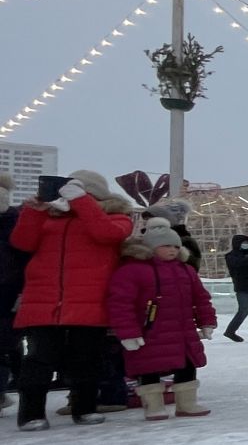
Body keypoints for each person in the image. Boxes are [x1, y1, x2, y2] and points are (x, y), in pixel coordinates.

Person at [10, 170, 137, 429]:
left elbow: (107, 234)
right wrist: (34, 211)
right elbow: (22, 243)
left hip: (89, 301)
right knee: (38, 359)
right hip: (43, 301)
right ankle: (31, 414)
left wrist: (81, 202)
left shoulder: (117, 217)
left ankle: (85, 407)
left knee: (86, 358)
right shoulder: (49, 217)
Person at [109, 218, 217, 420]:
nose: (173, 250)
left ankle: (187, 403)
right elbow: (120, 304)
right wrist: (128, 333)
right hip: (149, 332)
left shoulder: (185, 270)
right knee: (148, 367)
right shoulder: (132, 270)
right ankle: (153, 405)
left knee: (187, 366)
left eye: (176, 246)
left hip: (182, 332)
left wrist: (206, 321)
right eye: (166, 245)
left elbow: (201, 298)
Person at [0, 172, 23, 410]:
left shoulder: (13, 219)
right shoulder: (14, 218)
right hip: (10, 286)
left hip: (8, 287)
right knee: (6, 343)